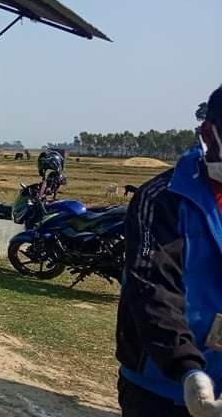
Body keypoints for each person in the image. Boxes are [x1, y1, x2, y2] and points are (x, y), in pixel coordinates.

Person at [117, 85, 222, 417]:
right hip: (160, 385)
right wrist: (187, 368)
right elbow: (152, 287)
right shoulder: (162, 198)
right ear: (208, 132)